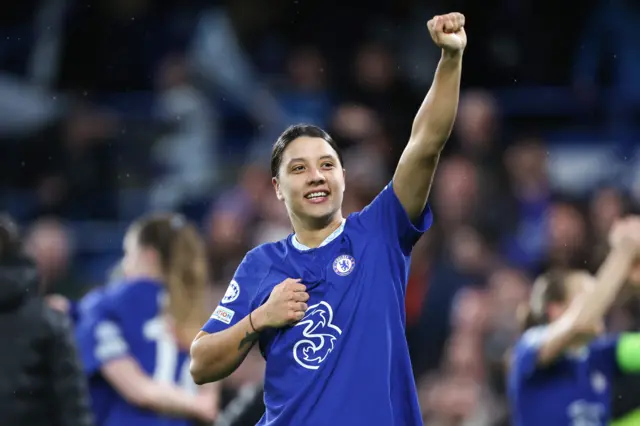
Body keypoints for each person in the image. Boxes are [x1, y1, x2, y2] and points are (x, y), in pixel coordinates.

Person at [189, 12, 466, 426]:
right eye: (298, 168)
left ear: (342, 176)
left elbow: (425, 144)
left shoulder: (379, 232)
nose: (316, 175)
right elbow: (200, 363)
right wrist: (260, 317)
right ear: (278, 189)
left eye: (326, 164)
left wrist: (450, 60)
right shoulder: (262, 264)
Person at [74, 213, 219, 426]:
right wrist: (199, 405)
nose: (124, 264)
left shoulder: (104, 305)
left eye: (127, 253)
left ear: (148, 255)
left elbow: (137, 389)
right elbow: (209, 403)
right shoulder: (205, 318)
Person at [508, 217, 640, 426]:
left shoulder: (602, 355)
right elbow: (581, 322)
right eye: (587, 297)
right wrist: (625, 250)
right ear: (556, 311)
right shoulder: (529, 346)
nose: (600, 304)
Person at [0, 213, 94, 426]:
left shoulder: (52, 314)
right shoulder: (48, 319)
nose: (51, 255)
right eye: (45, 248)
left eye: (56, 248)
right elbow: (73, 405)